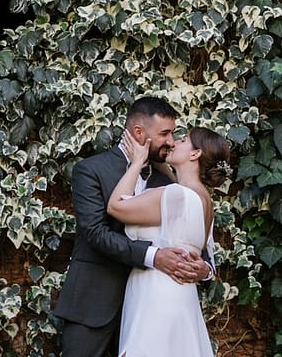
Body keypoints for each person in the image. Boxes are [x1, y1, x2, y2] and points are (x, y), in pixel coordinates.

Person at [54, 97, 213, 357]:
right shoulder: (91, 170)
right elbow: (95, 232)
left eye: (173, 134)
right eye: (164, 133)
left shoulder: (170, 180)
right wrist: (153, 256)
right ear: (139, 132)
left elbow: (189, 231)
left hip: (150, 306)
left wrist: (205, 268)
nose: (171, 141)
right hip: (94, 300)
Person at [108, 124, 231, 357]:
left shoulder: (176, 195)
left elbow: (116, 207)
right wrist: (206, 270)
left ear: (195, 154)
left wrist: (136, 163)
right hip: (181, 294)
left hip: (155, 292)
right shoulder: (204, 201)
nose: (174, 142)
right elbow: (204, 252)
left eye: (183, 140)